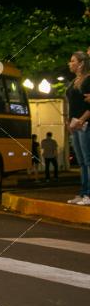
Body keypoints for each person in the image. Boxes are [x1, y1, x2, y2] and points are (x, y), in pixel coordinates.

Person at [66, 52, 90, 205]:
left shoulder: (88, 80)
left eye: (72, 60)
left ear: (81, 63)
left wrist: (81, 120)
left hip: (84, 124)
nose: (70, 63)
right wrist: (69, 123)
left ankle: (88, 194)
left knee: (88, 160)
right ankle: (82, 192)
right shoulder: (75, 81)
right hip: (75, 124)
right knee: (81, 161)